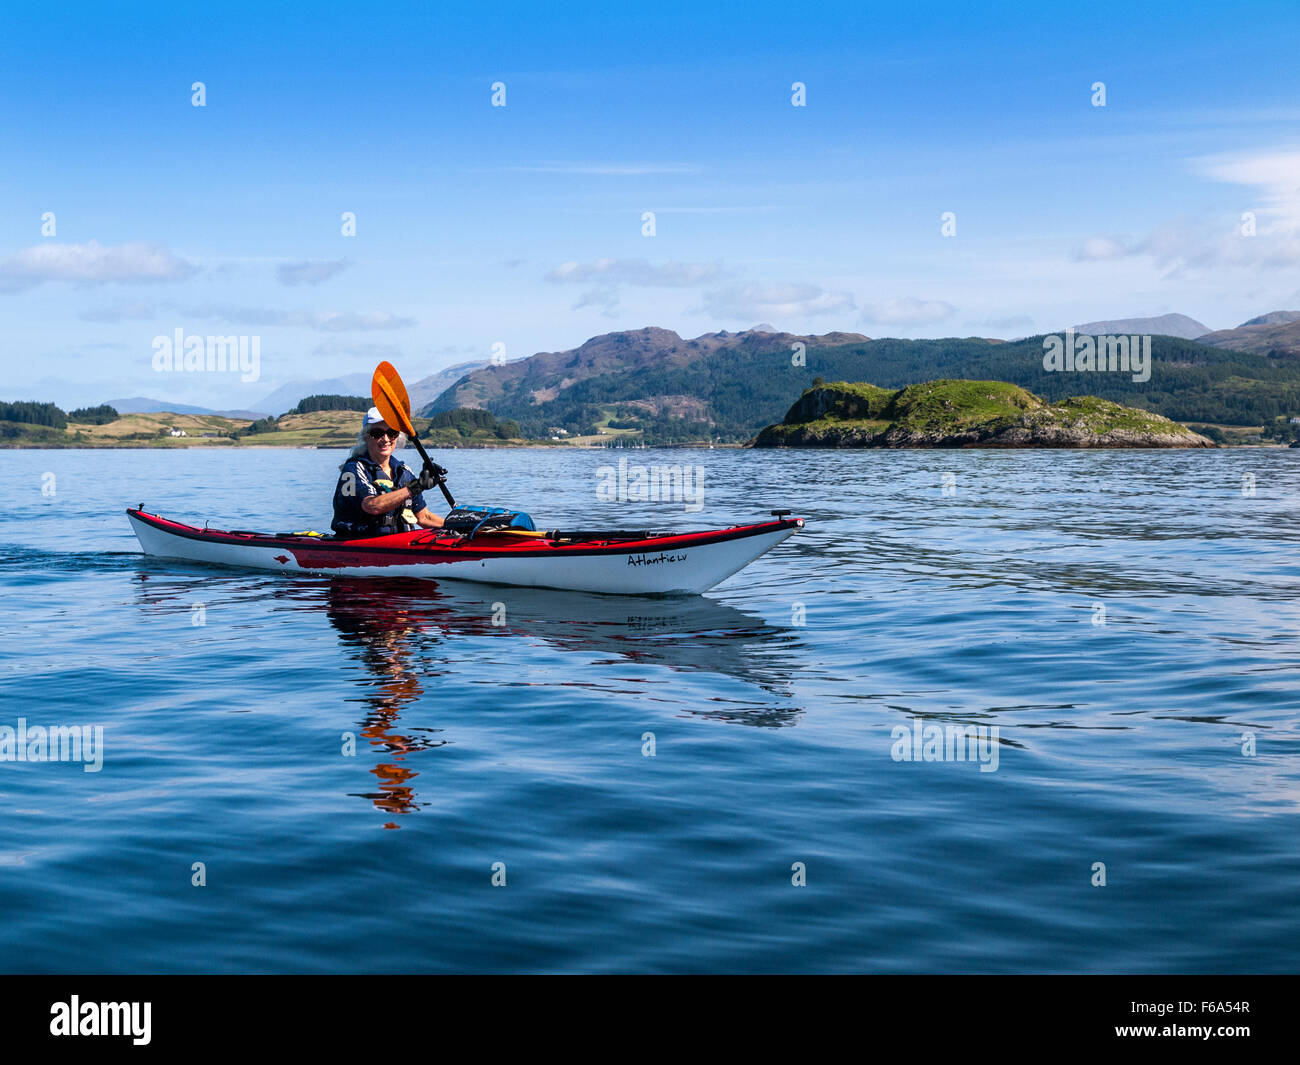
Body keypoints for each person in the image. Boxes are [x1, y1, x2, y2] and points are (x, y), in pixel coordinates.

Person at [332, 407, 446, 538]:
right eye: (377, 433)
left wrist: (461, 527)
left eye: (392, 433)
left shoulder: (404, 472)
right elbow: (372, 506)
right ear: (366, 437)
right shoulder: (353, 470)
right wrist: (417, 487)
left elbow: (424, 517)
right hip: (360, 545)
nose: (386, 439)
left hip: (400, 545)